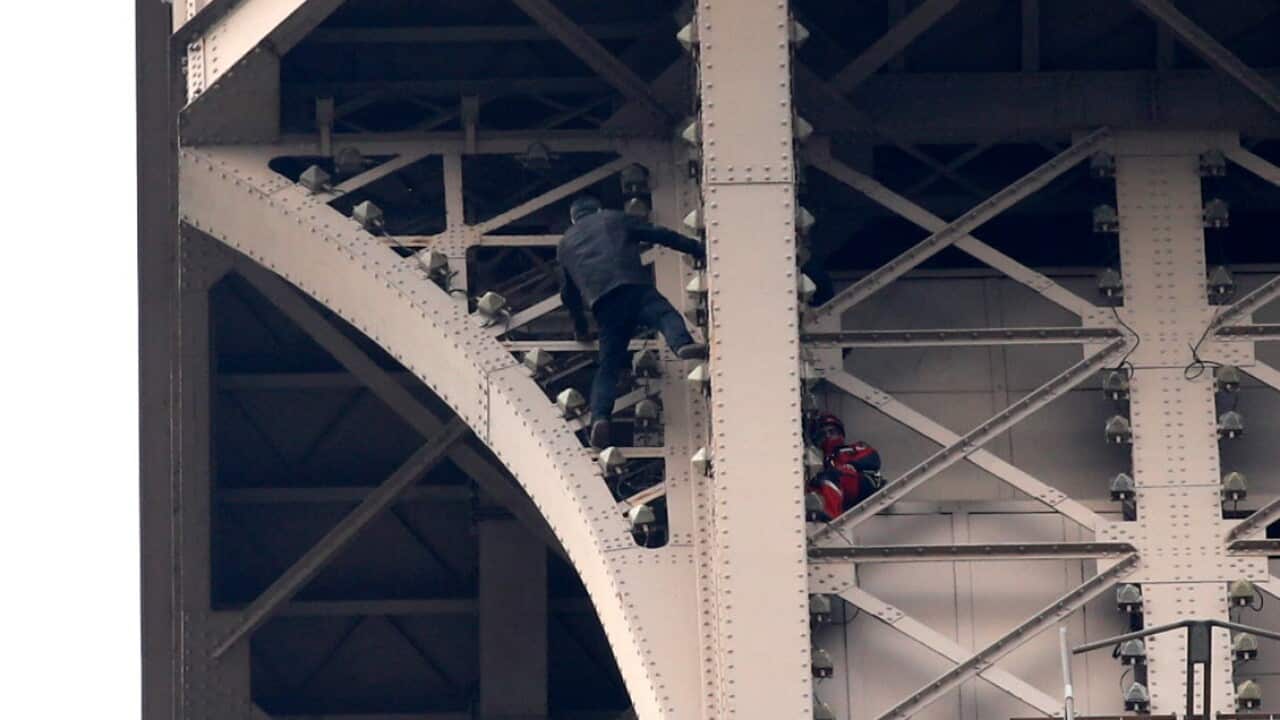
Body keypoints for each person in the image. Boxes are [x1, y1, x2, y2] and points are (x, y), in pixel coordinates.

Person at [559, 195, 708, 449]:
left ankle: (600, 418)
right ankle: (681, 344)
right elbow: (659, 234)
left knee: (608, 367)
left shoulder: (564, 245)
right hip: (633, 287)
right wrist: (697, 248)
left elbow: (568, 294)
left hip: (603, 305)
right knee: (664, 314)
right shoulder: (613, 218)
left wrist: (581, 328)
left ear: (573, 219)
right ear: (598, 208)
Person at [813, 413, 882, 511]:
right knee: (815, 483)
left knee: (830, 477)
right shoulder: (822, 459)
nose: (828, 436)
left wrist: (852, 465)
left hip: (863, 483)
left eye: (832, 432)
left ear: (840, 433)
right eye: (823, 434)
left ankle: (832, 517)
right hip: (843, 490)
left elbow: (872, 457)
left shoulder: (853, 448)